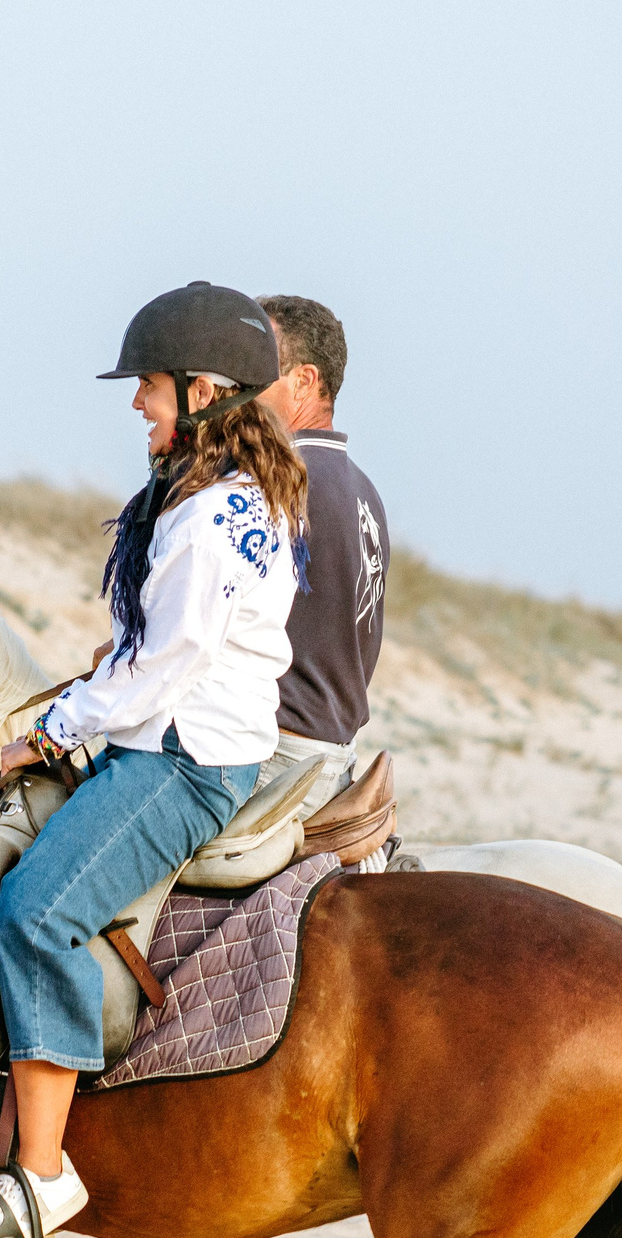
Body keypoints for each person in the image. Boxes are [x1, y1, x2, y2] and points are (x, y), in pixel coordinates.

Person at [0, 281, 308, 1238]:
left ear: (200, 390)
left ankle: (42, 1168)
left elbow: (162, 665)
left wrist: (58, 728)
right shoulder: (236, 496)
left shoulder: (202, 517)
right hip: (175, 735)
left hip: (182, 761)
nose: (137, 404)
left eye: (148, 386)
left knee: (36, 909)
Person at [255, 295, 394, 871]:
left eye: (255, 369)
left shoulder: (278, 482)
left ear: (304, 381)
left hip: (272, 761)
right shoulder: (365, 492)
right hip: (336, 756)